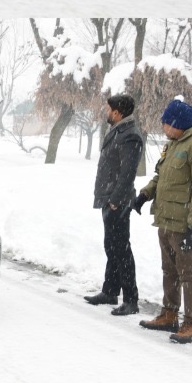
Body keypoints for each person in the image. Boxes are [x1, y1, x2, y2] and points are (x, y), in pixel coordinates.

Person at [134, 98, 192, 344]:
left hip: (184, 225)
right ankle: (169, 314)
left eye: (166, 122)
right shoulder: (173, 145)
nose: (163, 126)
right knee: (169, 270)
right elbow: (162, 178)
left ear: (177, 123)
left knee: (188, 272)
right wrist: (145, 194)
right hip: (166, 220)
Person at [86, 94, 145, 315]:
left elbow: (128, 173)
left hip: (117, 202)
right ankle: (110, 291)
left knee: (122, 250)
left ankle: (131, 300)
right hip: (109, 199)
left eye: (108, 109)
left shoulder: (130, 136)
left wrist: (115, 200)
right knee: (111, 247)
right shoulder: (119, 131)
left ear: (117, 113)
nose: (106, 112)